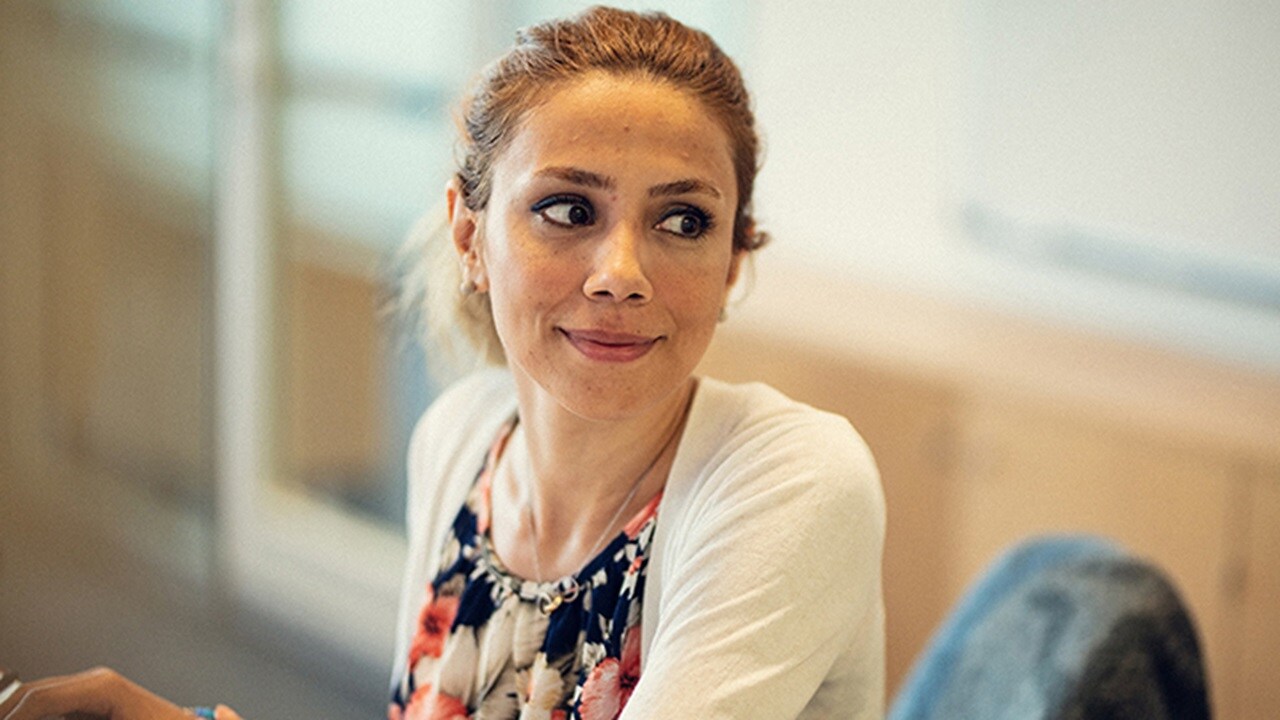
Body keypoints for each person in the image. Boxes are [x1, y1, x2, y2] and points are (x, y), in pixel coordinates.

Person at [1, 6, 884, 720]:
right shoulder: (459, 441)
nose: (622, 274)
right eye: (568, 209)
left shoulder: (792, 481)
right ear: (470, 236)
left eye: (683, 221)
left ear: (731, 262)